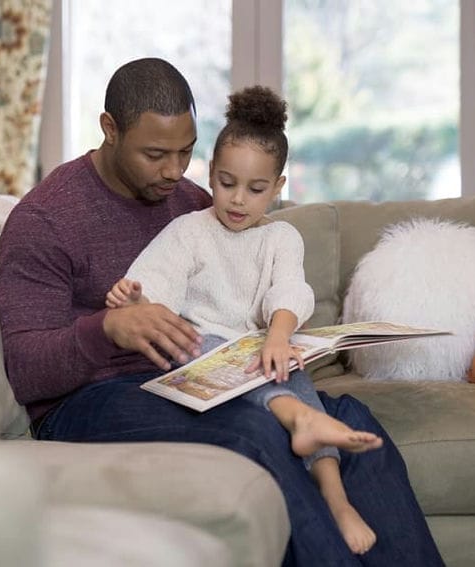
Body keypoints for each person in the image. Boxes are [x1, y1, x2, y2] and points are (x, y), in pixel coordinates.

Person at [0, 57, 444, 566]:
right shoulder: (45, 219)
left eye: (186, 152)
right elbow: (25, 369)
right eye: (155, 154)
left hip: (202, 375)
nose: (173, 171)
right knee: (252, 433)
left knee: (348, 418)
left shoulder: (191, 201)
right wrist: (109, 328)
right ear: (109, 130)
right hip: (91, 399)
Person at [104, 85, 380, 555]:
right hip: (202, 355)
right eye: (226, 183)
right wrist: (131, 298)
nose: (237, 201)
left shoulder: (282, 238)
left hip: (259, 349)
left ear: (278, 188)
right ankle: (298, 419)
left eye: (255, 190)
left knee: (291, 373)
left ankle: (336, 501)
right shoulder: (189, 231)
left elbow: (290, 291)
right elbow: (154, 290)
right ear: (210, 174)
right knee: (203, 345)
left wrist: (278, 338)